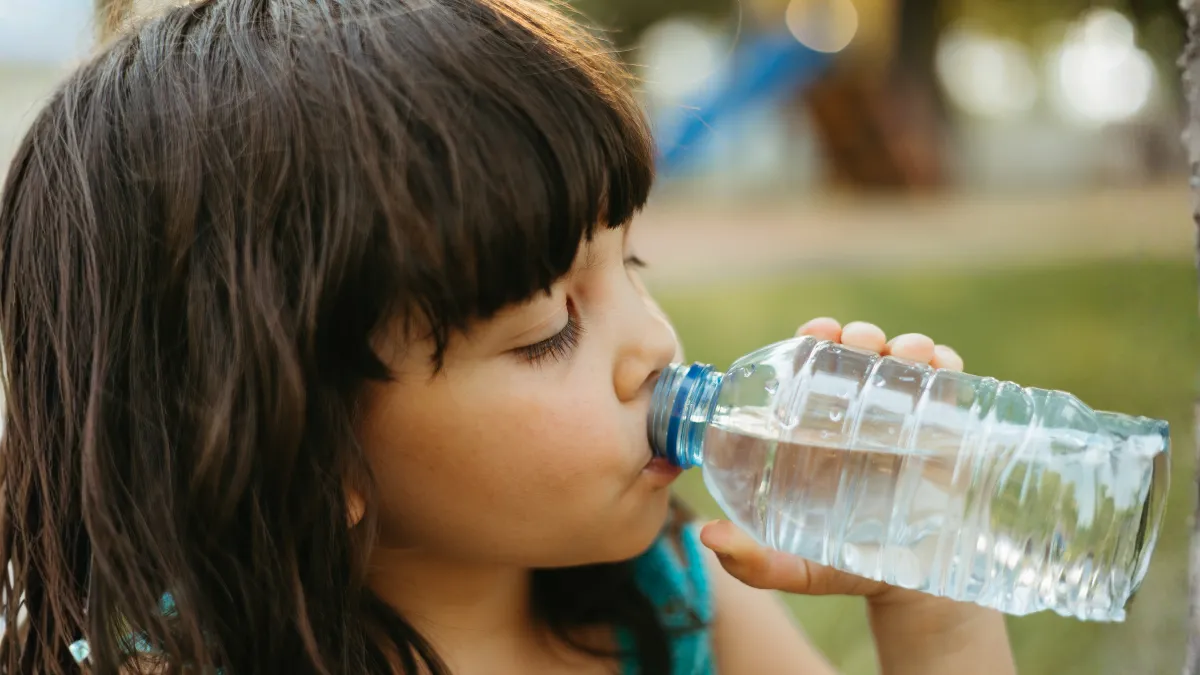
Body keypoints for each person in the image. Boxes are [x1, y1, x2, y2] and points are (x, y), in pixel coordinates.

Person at [0, 0, 1017, 673]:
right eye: (545, 329)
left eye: (631, 266)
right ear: (308, 446)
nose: (656, 346)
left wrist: (929, 596)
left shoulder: (670, 605)